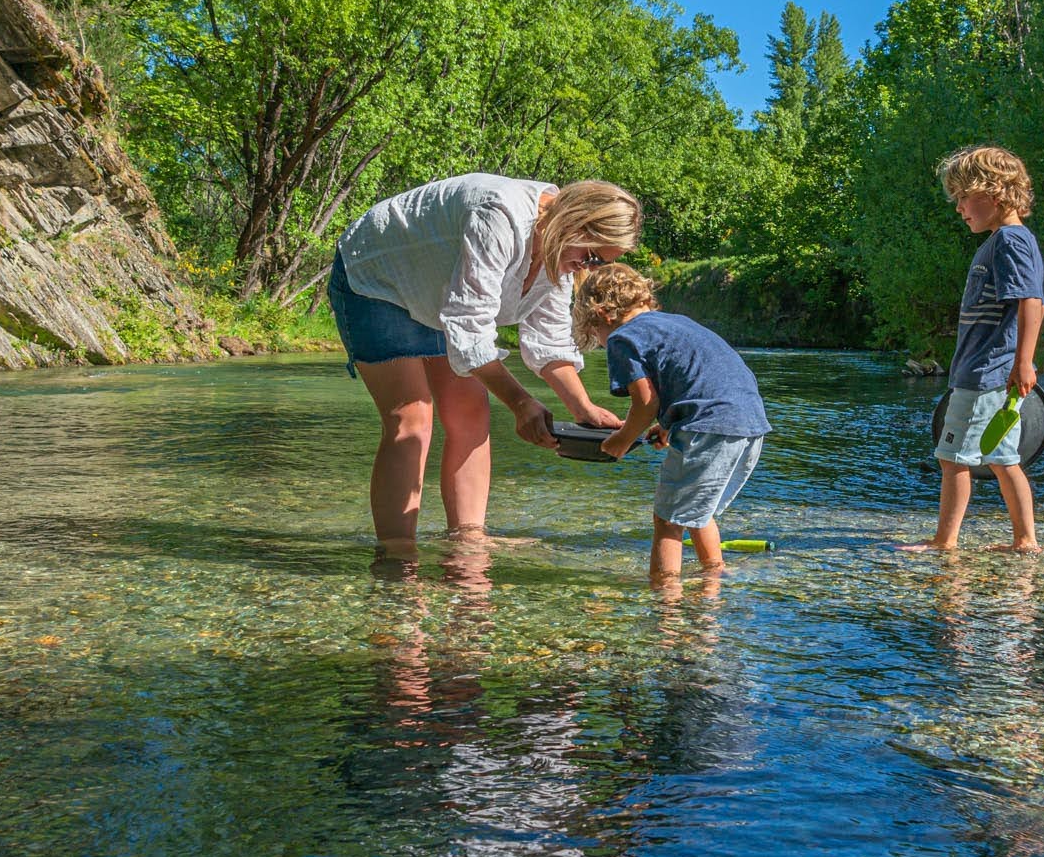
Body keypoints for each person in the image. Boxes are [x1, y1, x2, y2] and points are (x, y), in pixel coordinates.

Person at [328, 174, 639, 552]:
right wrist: (521, 403)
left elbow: (549, 343)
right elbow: (470, 330)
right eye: (590, 256)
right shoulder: (501, 214)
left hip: (441, 294)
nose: (586, 269)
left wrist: (582, 407)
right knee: (412, 417)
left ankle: (467, 543)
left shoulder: (559, 253)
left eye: (598, 263)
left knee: (471, 413)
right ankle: (396, 556)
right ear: (575, 220)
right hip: (379, 277)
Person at [571, 264, 771, 582]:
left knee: (667, 520)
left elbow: (646, 401)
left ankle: (666, 603)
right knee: (696, 510)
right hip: (749, 421)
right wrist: (667, 426)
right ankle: (712, 582)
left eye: (594, 332)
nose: (600, 339)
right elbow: (692, 379)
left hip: (708, 424)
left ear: (602, 313)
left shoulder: (623, 338)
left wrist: (622, 440)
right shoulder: (675, 323)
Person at [908, 145, 1044, 553]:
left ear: (995, 192)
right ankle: (1025, 541)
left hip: (986, 372)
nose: (959, 208)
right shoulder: (1000, 241)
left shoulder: (1010, 241)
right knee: (1003, 459)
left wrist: (1022, 363)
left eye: (963, 197)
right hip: (988, 372)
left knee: (953, 458)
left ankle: (943, 541)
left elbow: (1032, 301)